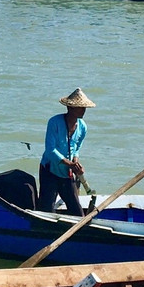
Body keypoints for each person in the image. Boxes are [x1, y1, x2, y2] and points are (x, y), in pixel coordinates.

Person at [38, 88, 94, 216]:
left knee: (77, 211)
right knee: (46, 210)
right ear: (70, 108)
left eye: (84, 107)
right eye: (80, 107)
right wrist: (70, 164)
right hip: (49, 171)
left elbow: (76, 148)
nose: (83, 110)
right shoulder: (54, 122)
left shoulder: (83, 126)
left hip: (66, 174)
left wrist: (75, 162)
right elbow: (50, 150)